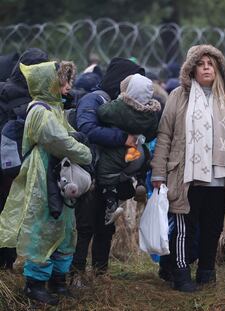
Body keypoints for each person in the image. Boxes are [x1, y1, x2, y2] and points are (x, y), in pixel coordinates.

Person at [151, 44, 225, 292]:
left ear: (218, 68)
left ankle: (207, 271)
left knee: (213, 226)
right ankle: (181, 273)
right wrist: (158, 172)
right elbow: (165, 135)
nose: (207, 68)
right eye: (201, 64)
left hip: (220, 175)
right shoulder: (178, 96)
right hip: (186, 174)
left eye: (211, 63)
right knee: (185, 226)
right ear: (191, 69)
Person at [0, 61, 92, 305]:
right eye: (64, 81)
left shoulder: (54, 108)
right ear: (49, 83)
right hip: (43, 175)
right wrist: (85, 152)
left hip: (56, 174)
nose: (69, 86)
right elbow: (59, 141)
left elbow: (66, 134)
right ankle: (35, 285)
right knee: (44, 227)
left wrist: (75, 140)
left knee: (64, 227)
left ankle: (57, 281)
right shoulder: (40, 111)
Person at [71, 57, 144, 278]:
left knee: (105, 227)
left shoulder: (119, 106)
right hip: (90, 175)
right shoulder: (94, 100)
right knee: (86, 227)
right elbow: (87, 128)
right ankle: (76, 275)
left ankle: (100, 275)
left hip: (109, 177)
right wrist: (123, 138)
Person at [0, 48, 49, 270]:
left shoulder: (7, 89)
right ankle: (7, 261)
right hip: (17, 163)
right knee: (13, 210)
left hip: (11, 161)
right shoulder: (33, 96)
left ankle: (6, 261)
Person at [96, 73, 160, 225]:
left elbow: (102, 112)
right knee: (141, 167)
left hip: (119, 152)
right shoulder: (150, 115)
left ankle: (111, 203)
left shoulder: (120, 107)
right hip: (139, 152)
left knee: (106, 173)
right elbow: (151, 135)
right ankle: (141, 182)